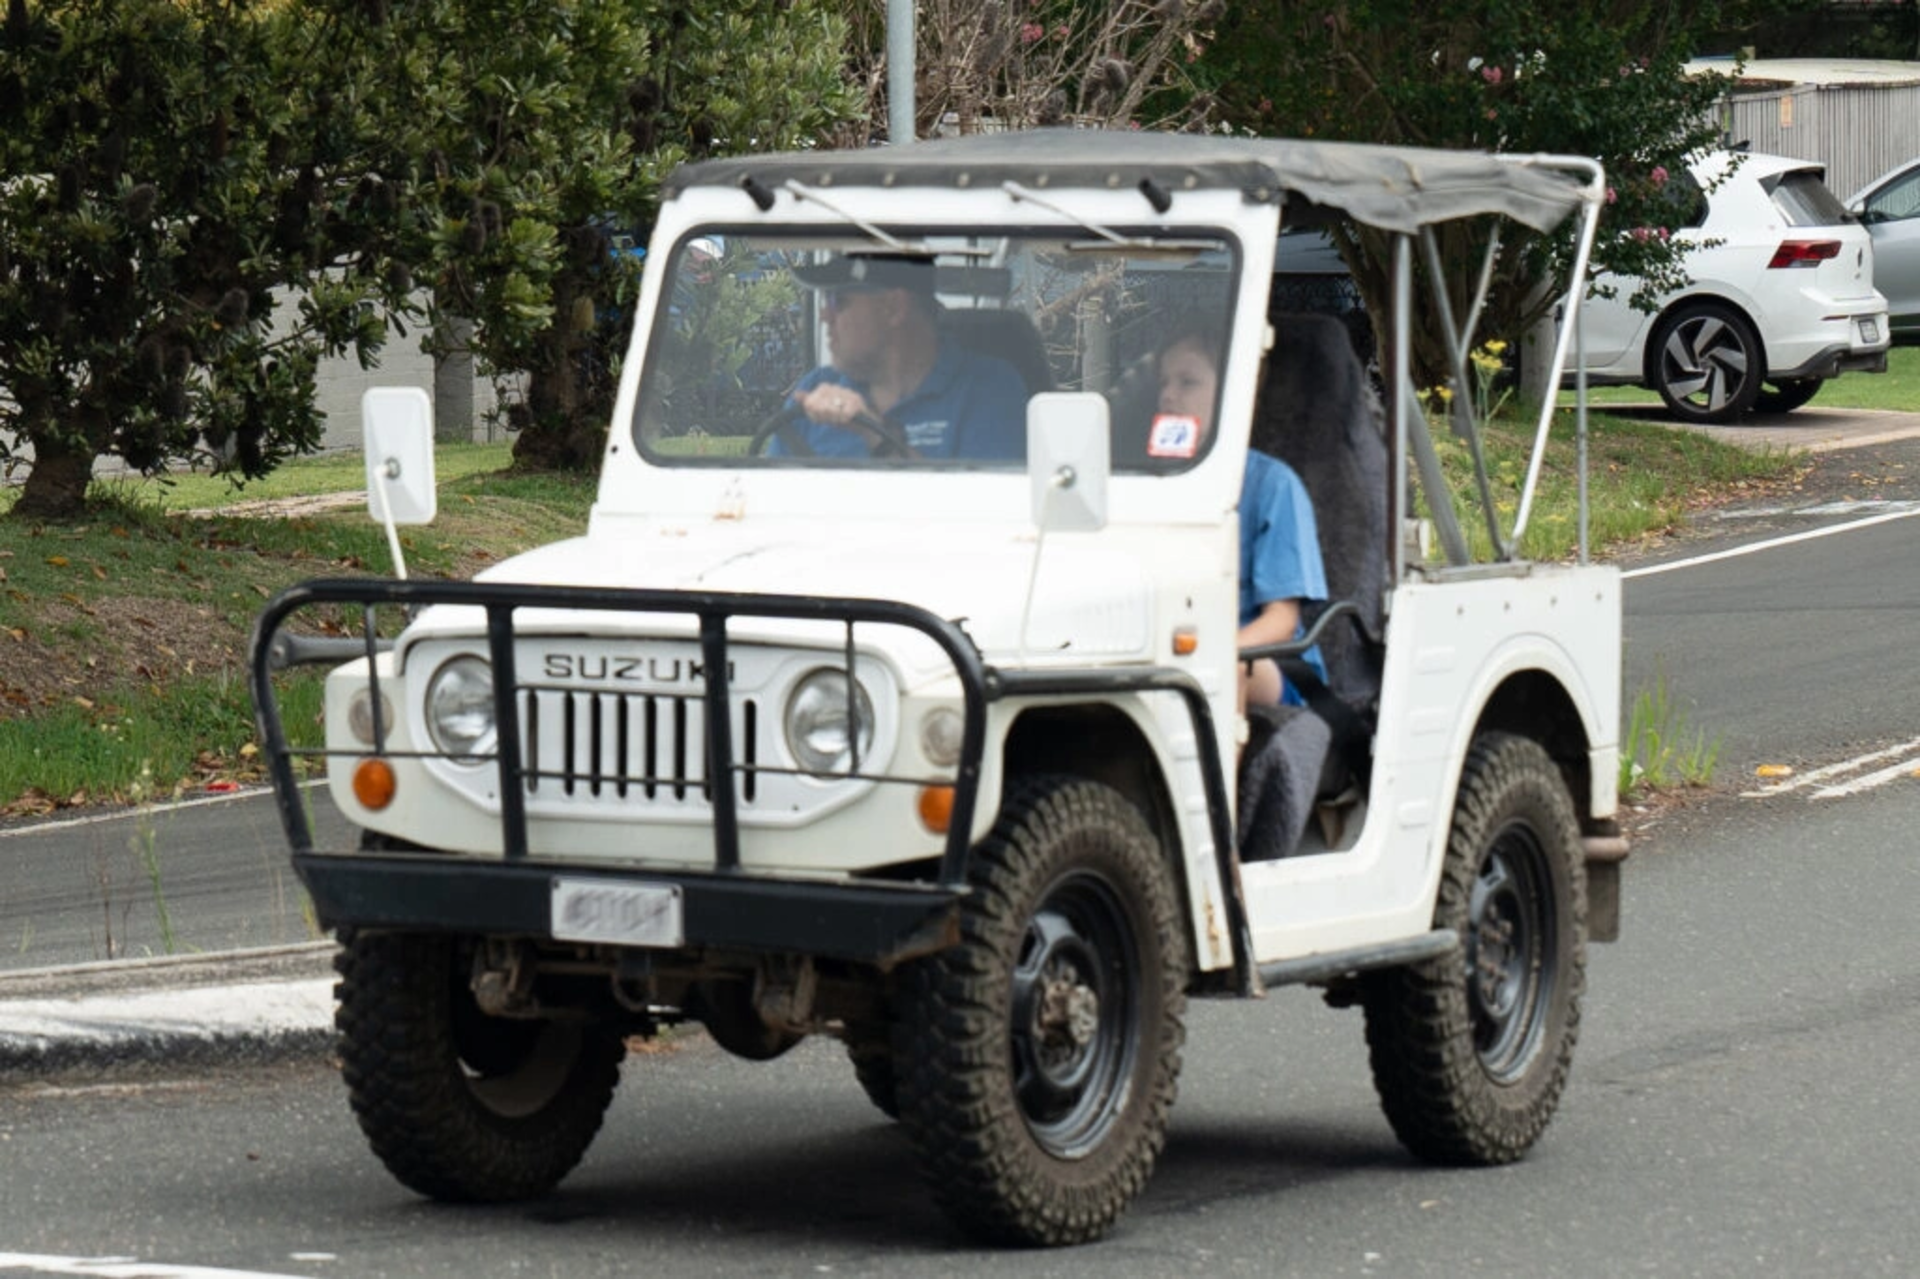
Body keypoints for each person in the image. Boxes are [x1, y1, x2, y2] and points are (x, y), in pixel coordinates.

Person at [1153, 324, 1328, 710]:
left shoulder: (1273, 485)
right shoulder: (1150, 483)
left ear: (1233, 393)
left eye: (1187, 382)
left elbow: (1282, 620)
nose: (1168, 394)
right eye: (1164, 382)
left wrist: (1213, 653)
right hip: (1170, 647)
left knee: (1223, 670)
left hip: (1266, 660)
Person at [775, 256, 1028, 460]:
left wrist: (876, 435)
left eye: (837, 301)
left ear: (893, 307)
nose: (825, 317)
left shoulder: (989, 389)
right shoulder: (815, 388)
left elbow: (985, 511)